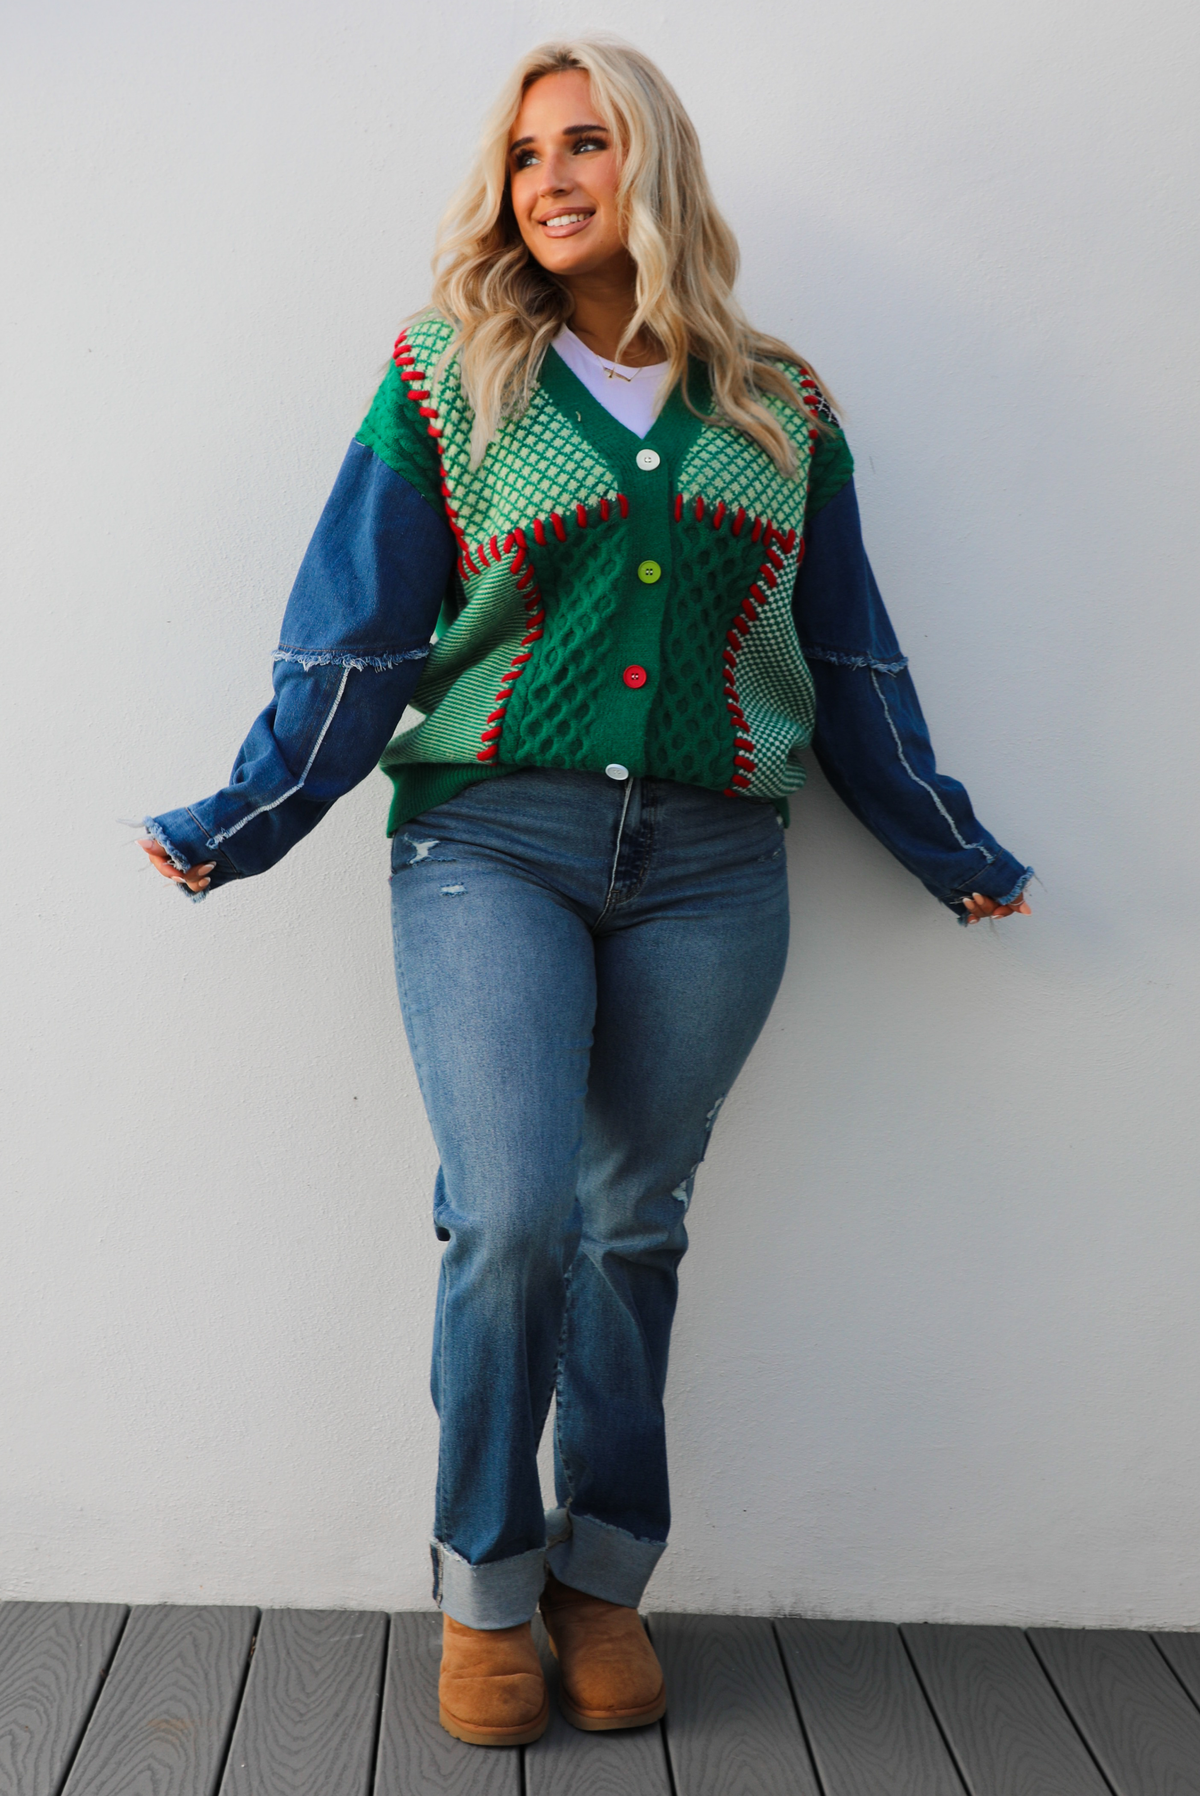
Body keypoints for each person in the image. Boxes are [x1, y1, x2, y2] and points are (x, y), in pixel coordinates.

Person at [140, 38, 1032, 1748]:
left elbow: (845, 653)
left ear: (658, 170)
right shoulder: (446, 377)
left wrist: (946, 844)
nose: (550, 177)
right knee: (513, 1218)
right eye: (526, 151)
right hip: (493, 845)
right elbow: (361, 630)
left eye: (589, 143)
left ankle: (601, 1581)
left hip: (711, 868)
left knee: (635, 1227)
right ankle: (485, 1588)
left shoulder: (781, 404)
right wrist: (249, 811)